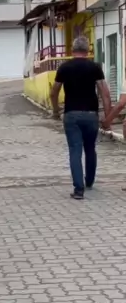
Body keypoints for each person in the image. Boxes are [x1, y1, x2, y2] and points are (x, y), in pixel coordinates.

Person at [50, 36, 111, 200]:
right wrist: (107, 118)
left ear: (72, 50)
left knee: (75, 150)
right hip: (91, 115)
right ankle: (89, 181)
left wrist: (55, 110)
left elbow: (54, 92)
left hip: (71, 114)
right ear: (87, 50)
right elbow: (105, 94)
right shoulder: (95, 67)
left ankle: (78, 189)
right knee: (90, 148)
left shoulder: (64, 68)